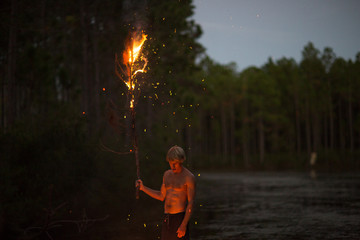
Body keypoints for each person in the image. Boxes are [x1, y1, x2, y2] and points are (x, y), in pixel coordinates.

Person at [136, 145, 196, 239]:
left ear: (181, 160)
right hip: (167, 218)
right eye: (170, 162)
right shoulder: (166, 175)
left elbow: (191, 204)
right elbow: (161, 196)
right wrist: (143, 188)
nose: (172, 166)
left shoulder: (189, 177)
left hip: (180, 218)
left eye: (175, 163)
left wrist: (183, 225)